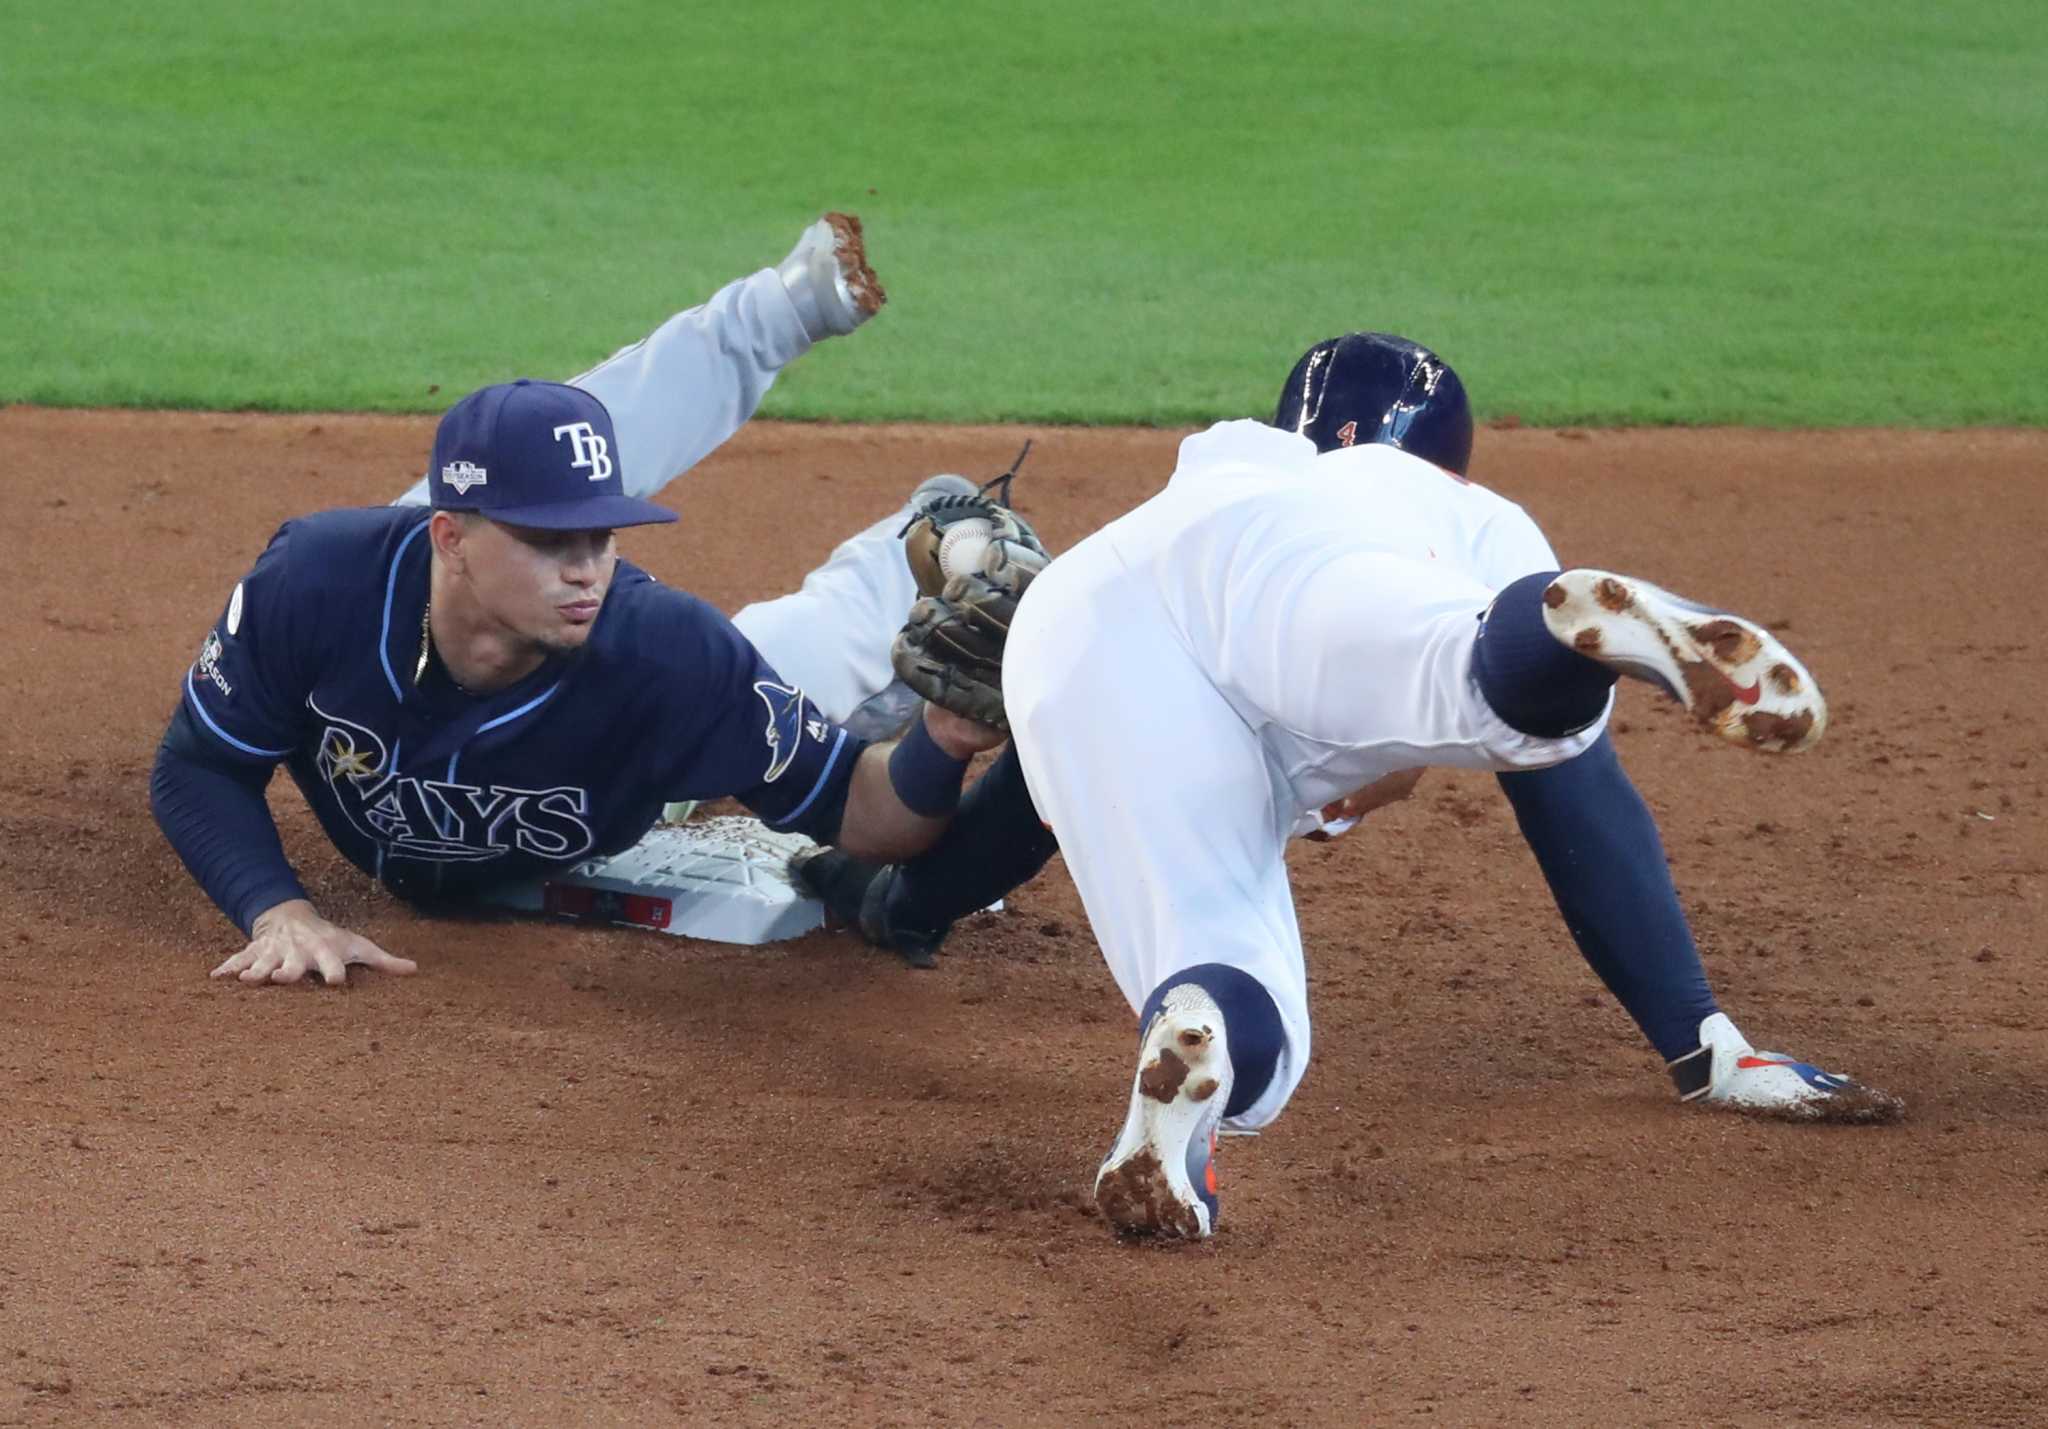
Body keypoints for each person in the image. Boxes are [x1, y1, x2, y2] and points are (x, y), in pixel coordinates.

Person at [794, 332, 1900, 1239]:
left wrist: (898, 901)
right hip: (1307, 583)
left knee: (1216, 955)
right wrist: (1698, 1036)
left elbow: (1033, 804)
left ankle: (1198, 1031)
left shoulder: (1235, 466)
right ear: (1451, 459)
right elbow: (1574, 796)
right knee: (1475, 682)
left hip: (1083, 617)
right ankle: (1559, 639)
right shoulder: (1443, 508)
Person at [151, 215, 1004, 986]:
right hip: (431, 577)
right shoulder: (318, 585)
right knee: (535, 452)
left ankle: (926, 534)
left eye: (603, 538)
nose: (585, 569)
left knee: (765, 659)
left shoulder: (662, 651)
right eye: (552, 542)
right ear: (449, 538)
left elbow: (864, 809)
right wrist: (279, 908)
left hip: (620, 714)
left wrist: (939, 738)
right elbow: (198, 765)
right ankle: (765, 316)